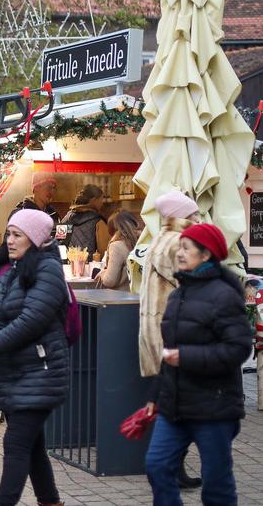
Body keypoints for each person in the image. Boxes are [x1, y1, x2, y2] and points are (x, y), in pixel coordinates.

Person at [0, 209, 68, 506]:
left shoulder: (48, 269)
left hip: (41, 371)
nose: (9, 240)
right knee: (32, 446)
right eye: (8, 233)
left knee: (16, 443)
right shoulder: (6, 267)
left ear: (34, 238)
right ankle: (50, 501)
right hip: (13, 371)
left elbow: (30, 321)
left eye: (17, 235)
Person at [143, 223, 252, 505]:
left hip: (214, 407)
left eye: (186, 248)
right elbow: (169, 351)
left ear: (206, 255)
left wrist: (186, 357)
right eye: (179, 247)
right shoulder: (178, 294)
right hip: (174, 406)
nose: (179, 253)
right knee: (157, 466)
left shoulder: (224, 296)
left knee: (216, 485)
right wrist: (155, 397)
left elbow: (238, 348)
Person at [137, 190, 202, 489]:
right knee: (178, 405)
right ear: (182, 216)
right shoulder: (178, 243)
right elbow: (190, 284)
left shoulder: (159, 239)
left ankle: (173, 467)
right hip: (173, 333)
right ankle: (172, 468)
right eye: (194, 213)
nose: (198, 217)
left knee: (173, 403)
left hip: (159, 331)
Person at [61, 184, 109, 261]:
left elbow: (59, 244)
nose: (102, 203)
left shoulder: (66, 218)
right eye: (101, 200)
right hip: (90, 267)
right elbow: (105, 253)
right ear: (94, 200)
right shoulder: (98, 222)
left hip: (67, 266)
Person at [97, 210, 140, 290]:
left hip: (121, 295)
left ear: (112, 230)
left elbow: (110, 281)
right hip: (141, 294)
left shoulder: (116, 246)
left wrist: (102, 274)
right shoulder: (143, 241)